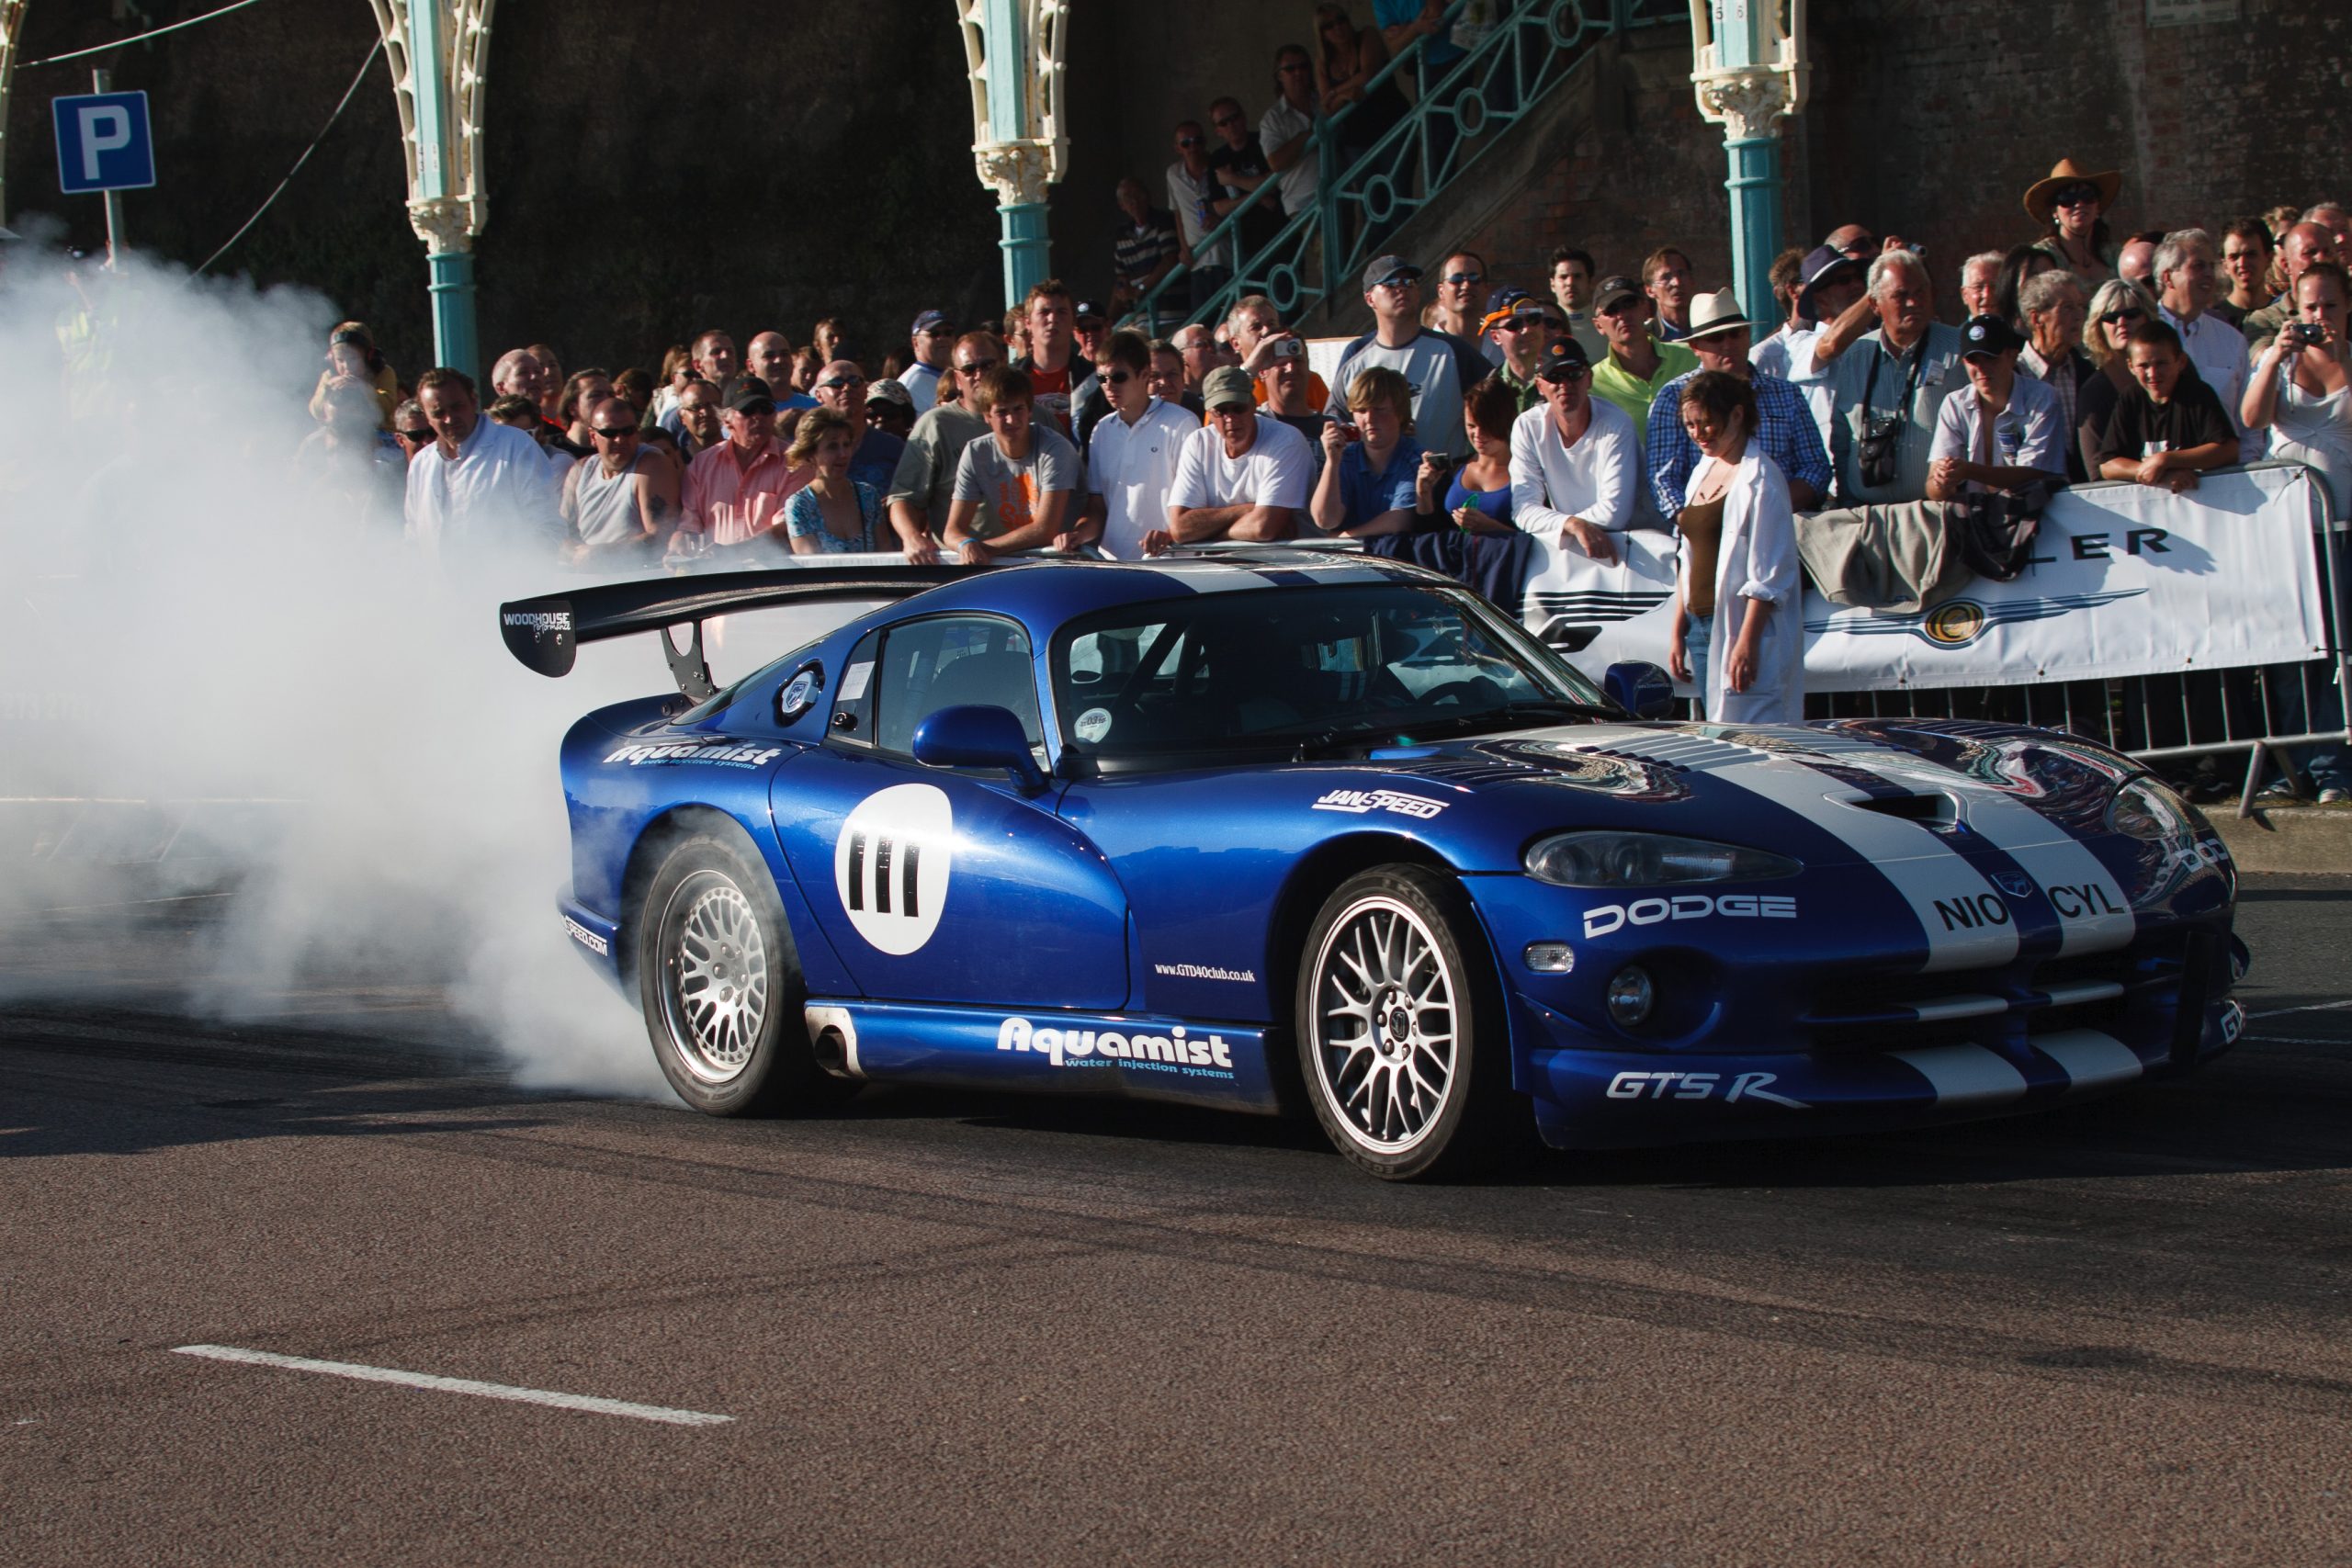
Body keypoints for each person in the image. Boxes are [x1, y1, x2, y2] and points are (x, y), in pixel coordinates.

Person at [1667, 371, 1802, 725]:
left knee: (1756, 737)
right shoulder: (1701, 471)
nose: (1699, 434)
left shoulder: (1763, 479)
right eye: (1690, 425)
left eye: (1708, 423)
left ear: (1737, 416)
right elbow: (1687, 556)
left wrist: (1746, 643)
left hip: (1741, 627)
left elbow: (1770, 575)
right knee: (1718, 728)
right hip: (1700, 626)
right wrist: (1678, 628)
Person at [1645, 288, 1830, 522]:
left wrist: (1768, 509)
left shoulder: (1786, 393)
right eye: (1716, 338)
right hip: (1706, 528)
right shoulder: (1673, 397)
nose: (1727, 344)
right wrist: (1703, 527)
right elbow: (1664, 480)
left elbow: (1815, 466)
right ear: (1695, 347)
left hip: (1784, 524)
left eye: (1735, 333)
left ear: (1748, 335)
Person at [1826, 248, 1963, 504]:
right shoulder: (1856, 356)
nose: (1913, 302)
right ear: (1875, 305)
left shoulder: (1958, 350)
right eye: (1901, 296)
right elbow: (1842, 441)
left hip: (1937, 514)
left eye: (1920, 292)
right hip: (1867, 517)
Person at [402, 367, 562, 566]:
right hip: (441, 592)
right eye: (438, 412)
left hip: (506, 587)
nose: (450, 419)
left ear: (474, 400)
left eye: (457, 406)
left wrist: (520, 576)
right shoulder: (421, 463)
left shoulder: (516, 446)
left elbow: (546, 526)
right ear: (426, 416)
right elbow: (414, 535)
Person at [1152, 366, 1314, 552]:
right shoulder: (1198, 442)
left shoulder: (1286, 440)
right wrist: (1245, 510)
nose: (1230, 418)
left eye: (1238, 408)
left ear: (1253, 405)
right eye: (1221, 411)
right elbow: (1180, 528)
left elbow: (1263, 527)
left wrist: (1205, 536)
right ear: (1210, 414)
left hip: (1290, 565)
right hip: (1223, 568)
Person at [1508, 339, 1638, 560]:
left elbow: (1615, 513)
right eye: (1555, 377)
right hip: (1574, 545)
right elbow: (1523, 509)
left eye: (1574, 374)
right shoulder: (1527, 426)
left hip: (1634, 544)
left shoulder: (1617, 423)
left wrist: (1568, 526)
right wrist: (1570, 524)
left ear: (1589, 378)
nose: (1565, 384)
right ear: (1540, 386)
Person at [944, 367, 1089, 564]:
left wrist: (982, 549)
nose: (1012, 420)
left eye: (1018, 409)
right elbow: (952, 531)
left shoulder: (1055, 449)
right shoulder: (976, 453)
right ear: (987, 416)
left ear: (1030, 411)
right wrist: (965, 544)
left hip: (1071, 560)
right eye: (1002, 412)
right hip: (1021, 562)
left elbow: (1045, 530)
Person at [2243, 260, 2352, 519]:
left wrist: (2344, 362)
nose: (2320, 315)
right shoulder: (2279, 358)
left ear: (2348, 304)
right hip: (2287, 513)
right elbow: (2253, 419)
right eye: (2311, 307)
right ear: (2298, 310)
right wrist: (2274, 359)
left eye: (2330, 306)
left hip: (2344, 513)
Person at [1328, 255, 1467, 452]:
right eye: (1390, 283)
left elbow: (1491, 401)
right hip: (1377, 479)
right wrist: (1383, 431)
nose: (1401, 288)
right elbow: (1334, 422)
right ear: (1370, 298)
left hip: (1444, 476)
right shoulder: (1356, 353)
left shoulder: (1451, 349)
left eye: (1408, 282)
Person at [1083, 329, 1198, 559]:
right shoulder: (1101, 430)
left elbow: (1196, 501)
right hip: (1112, 563)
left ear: (1145, 374)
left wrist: (1169, 535)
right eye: (1102, 379)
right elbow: (1097, 506)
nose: (1109, 386)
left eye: (1119, 377)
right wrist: (1077, 534)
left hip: (1171, 563)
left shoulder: (1182, 422)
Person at [887, 331, 1000, 563]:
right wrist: (911, 537)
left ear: (1003, 365)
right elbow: (902, 497)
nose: (979, 374)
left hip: (1031, 560)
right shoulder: (935, 425)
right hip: (964, 563)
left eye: (988, 365)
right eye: (969, 369)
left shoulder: (1034, 416)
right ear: (957, 379)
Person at [1927, 315, 2068, 501]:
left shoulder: (2043, 398)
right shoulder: (1953, 404)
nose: (1982, 368)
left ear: (2012, 356)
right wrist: (1943, 481)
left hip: (2035, 517)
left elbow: (2034, 474)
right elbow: (1932, 489)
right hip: (1972, 519)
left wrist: (1968, 470)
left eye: (1990, 358)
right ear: (1963, 362)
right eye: (1972, 360)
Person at [2092, 321, 2237, 494]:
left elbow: (2229, 450)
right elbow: (2108, 465)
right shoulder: (2130, 398)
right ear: (2130, 366)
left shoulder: (2198, 394)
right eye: (2143, 366)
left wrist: (2166, 460)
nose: (2152, 373)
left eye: (2161, 363)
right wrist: (2155, 472)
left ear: (2181, 362)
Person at [675, 375, 806, 558]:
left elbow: (787, 528)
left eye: (766, 409)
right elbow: (690, 524)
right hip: (716, 574)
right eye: (748, 410)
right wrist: (678, 546)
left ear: (774, 415)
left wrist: (733, 554)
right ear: (726, 420)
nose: (758, 416)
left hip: (775, 575)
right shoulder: (700, 465)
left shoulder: (796, 462)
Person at [1754, 244, 1864, 455]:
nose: (1857, 285)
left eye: (1858, 277)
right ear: (1819, 297)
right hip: (1831, 480)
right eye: (1843, 281)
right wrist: (1878, 291)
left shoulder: (1877, 337)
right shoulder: (1800, 342)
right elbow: (1831, 345)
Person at [560, 394, 674, 565]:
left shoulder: (651, 464)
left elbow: (661, 537)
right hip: (588, 573)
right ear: (593, 436)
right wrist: (575, 554)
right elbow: (562, 532)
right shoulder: (581, 470)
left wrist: (604, 554)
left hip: (638, 575)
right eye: (610, 433)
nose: (620, 439)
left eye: (628, 431)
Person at [1311, 367, 1425, 537]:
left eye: (1380, 409)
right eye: (1362, 411)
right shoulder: (1346, 459)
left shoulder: (1415, 459)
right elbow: (1325, 520)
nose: (1370, 419)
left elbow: (1399, 521)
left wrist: (1342, 538)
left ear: (1400, 412)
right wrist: (1332, 462)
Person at [1587, 272, 1701, 434]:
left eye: (1629, 304)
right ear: (1598, 325)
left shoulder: (1692, 356)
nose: (1622, 315)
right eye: (1611, 310)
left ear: (1646, 308)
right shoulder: (1592, 383)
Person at [295, 374, 407, 529]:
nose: (348, 428)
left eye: (354, 402)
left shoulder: (394, 462)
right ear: (324, 416)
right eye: (339, 422)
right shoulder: (313, 448)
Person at [2016, 270, 2097, 482]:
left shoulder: (2087, 372)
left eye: (2081, 306)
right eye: (2068, 307)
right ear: (2036, 318)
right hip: (2029, 499)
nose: (2080, 316)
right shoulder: (2013, 376)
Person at [779, 408, 888, 555]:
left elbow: (885, 553)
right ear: (810, 454)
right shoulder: (799, 505)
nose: (843, 454)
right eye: (832, 447)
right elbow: (812, 567)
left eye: (846, 445)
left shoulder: (867, 495)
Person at [2074, 279, 2148, 480]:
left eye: (2131, 314)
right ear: (2098, 326)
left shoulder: (2175, 371)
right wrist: (2153, 471)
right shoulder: (2094, 391)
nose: (2122, 323)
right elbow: (2096, 470)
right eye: (2111, 317)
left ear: (2148, 318)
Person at [1315, 5, 1403, 164]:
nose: (1338, 27)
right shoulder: (1323, 63)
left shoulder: (1367, 36)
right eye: (1329, 26)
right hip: (1357, 141)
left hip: (1391, 126)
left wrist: (1335, 93)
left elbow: (1367, 74)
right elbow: (1327, 107)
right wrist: (1343, 97)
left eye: (1341, 20)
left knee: (1397, 185)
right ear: (1323, 35)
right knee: (1367, 188)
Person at [1432, 375, 1519, 534]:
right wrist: (1423, 494)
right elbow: (1430, 528)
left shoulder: (1528, 472)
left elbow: (1540, 539)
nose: (1477, 434)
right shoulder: (1454, 469)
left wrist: (1492, 528)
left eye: (1486, 426)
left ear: (1506, 421)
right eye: (1471, 426)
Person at [808, 360, 907, 493]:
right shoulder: (810, 449)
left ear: (865, 390)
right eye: (836, 383)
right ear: (819, 395)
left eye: (855, 381)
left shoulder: (894, 447)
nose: (847, 388)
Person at [2023, 159, 2120, 288]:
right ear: (2055, 212)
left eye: (2087, 196)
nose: (2079, 204)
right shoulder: (2043, 257)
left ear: (2097, 207)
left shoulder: (2114, 254)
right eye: (2067, 198)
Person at [1167, 120, 1233, 310]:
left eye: (1198, 141)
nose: (1193, 147)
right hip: (1198, 260)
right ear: (1177, 148)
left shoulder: (1218, 166)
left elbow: (1235, 203)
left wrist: (1219, 218)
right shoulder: (1173, 174)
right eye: (1186, 143)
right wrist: (1183, 247)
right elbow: (1177, 211)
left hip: (1225, 254)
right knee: (1204, 323)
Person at [1012, 279, 1089, 439]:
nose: (1053, 318)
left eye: (1061, 311)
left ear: (1073, 321)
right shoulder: (1010, 379)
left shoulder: (1094, 378)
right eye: (1044, 311)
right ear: (1028, 323)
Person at [2244, 222, 2341, 346]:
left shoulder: (2347, 313)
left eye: (2328, 252)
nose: (2321, 258)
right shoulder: (2265, 320)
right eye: (2310, 252)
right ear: (2286, 265)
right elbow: (2258, 362)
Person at [1205, 96, 1280, 260]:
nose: (1231, 125)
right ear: (1217, 131)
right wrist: (1258, 197)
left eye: (1234, 118)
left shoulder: (1263, 141)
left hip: (1280, 233)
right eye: (1223, 123)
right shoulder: (1218, 159)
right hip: (1246, 244)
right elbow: (1220, 207)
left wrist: (1232, 179)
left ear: (1244, 117)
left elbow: (1272, 184)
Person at [1261, 44, 1321, 220]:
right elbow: (1276, 162)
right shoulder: (1272, 119)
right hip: (1304, 204)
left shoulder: (1323, 100)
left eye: (1303, 67)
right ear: (1279, 75)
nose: (1298, 73)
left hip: (1338, 190)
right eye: (1290, 69)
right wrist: (1307, 136)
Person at [1111, 177, 1180, 319]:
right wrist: (1108, 319)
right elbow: (1121, 277)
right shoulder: (1122, 235)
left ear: (1148, 196)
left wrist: (1140, 289)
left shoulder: (1163, 221)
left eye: (1138, 194)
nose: (1134, 201)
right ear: (1121, 205)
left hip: (1170, 313)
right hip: (1141, 317)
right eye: (1128, 197)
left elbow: (1170, 260)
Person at [306, 321, 398, 428]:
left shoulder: (383, 372)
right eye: (340, 360)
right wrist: (328, 388)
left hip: (378, 434)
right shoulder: (330, 376)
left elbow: (388, 407)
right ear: (331, 359)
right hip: (341, 434)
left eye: (353, 359)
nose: (347, 366)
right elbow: (315, 411)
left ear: (369, 356)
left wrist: (363, 388)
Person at [1258, 334, 1330, 457]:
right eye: (1281, 362)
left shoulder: (1332, 427)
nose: (1291, 368)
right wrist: (1249, 369)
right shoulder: (1255, 424)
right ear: (1262, 371)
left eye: (1298, 360)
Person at [1485, 291, 1549, 412]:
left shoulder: (1565, 377)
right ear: (1495, 337)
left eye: (1533, 319)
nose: (1527, 329)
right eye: (1514, 325)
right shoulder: (1488, 392)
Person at [1546, 246, 1606, 362]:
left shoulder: (1608, 325)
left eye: (1577, 276)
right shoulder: (1540, 329)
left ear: (1591, 282)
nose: (1570, 283)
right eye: (1563, 277)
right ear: (1552, 284)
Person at [2215, 219, 2272, 330]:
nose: (2242, 263)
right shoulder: (2213, 321)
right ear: (2225, 265)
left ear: (2269, 259)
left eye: (2251, 254)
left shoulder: (2283, 316)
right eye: (2234, 257)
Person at [894, 310, 954, 412]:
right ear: (916, 343)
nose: (942, 338)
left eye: (948, 333)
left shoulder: (961, 375)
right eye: (934, 334)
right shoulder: (910, 385)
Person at [553, 368, 614, 458]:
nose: (607, 400)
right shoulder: (548, 450)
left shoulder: (617, 450)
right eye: (596, 395)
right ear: (572, 408)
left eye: (611, 395)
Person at [1429, 250, 1486, 341]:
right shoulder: (1427, 346)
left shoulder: (1500, 344)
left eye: (1474, 278)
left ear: (1485, 287)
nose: (1466, 285)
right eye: (1456, 279)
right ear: (1441, 291)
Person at [1642, 248, 1697, 341]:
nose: (1677, 282)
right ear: (1650, 291)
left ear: (1692, 280)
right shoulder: (1646, 339)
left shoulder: (1712, 332)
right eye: (1666, 277)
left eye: (1681, 274)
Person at [672, 378, 722, 460]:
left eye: (713, 405)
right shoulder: (677, 464)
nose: (705, 413)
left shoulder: (740, 456)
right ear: (682, 417)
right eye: (695, 407)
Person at [865, 377, 917, 441]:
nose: (880, 419)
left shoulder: (920, 449)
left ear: (907, 418)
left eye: (889, 414)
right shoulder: (853, 448)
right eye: (872, 415)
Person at [1959, 252, 2004, 321]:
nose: (1986, 295)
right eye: (1978, 287)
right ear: (1965, 295)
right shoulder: (1955, 331)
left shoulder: (2022, 331)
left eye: (1995, 286)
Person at [390, 398, 434, 464]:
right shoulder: (389, 472)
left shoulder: (452, 470)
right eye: (416, 435)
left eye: (432, 432)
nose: (427, 442)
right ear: (400, 440)